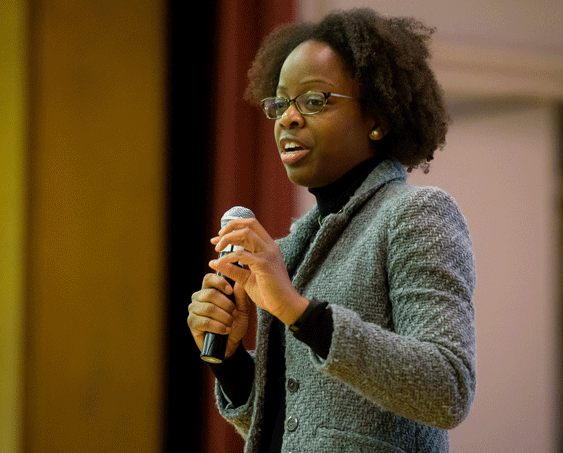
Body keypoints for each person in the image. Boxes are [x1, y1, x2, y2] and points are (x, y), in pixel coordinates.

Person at [187, 7, 476, 453]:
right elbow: (303, 424)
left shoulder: (417, 214)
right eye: (280, 103)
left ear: (377, 118)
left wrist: (300, 313)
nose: (288, 118)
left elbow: (448, 388)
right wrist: (230, 363)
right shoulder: (298, 245)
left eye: (314, 100)